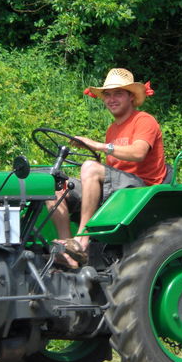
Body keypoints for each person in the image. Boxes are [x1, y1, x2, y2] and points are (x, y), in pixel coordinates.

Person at [49, 68, 167, 269]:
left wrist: (98, 146)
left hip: (142, 188)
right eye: (108, 95)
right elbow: (113, 169)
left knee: (90, 168)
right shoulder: (112, 129)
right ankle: (68, 251)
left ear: (131, 97)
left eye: (118, 93)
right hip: (119, 185)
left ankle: (82, 240)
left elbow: (138, 153)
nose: (111, 99)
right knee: (53, 186)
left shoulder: (144, 120)